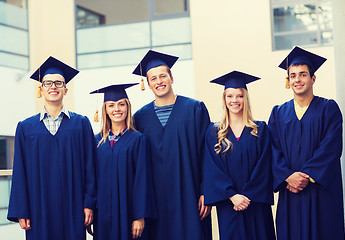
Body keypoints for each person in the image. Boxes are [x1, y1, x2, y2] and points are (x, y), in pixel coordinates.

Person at [7, 56, 96, 240]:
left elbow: (91, 167)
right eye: (48, 83)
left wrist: (89, 203)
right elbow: (20, 172)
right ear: (41, 89)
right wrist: (22, 209)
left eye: (58, 83)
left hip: (74, 206)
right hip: (39, 208)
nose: (53, 86)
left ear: (66, 89)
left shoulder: (81, 124)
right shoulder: (26, 127)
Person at [132, 50, 212, 240]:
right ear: (148, 84)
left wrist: (206, 192)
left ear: (172, 78)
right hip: (156, 201)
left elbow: (207, 154)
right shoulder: (140, 118)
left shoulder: (194, 109)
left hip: (190, 195)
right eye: (153, 78)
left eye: (162, 76)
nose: (159, 81)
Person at [268, 46, 345, 239]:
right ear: (288, 80)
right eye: (293, 76)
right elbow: (272, 151)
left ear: (313, 78)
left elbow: (331, 149)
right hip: (290, 193)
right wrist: (287, 176)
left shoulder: (329, 109)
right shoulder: (278, 113)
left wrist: (306, 176)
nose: (297, 80)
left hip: (321, 193)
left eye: (303, 74)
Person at [204, 71, 275, 240]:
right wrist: (233, 196)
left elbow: (264, 165)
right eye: (230, 96)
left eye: (239, 96)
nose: (234, 100)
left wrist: (248, 196)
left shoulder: (260, 129)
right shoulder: (214, 132)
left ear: (246, 98)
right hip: (229, 205)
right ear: (224, 99)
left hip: (256, 204)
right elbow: (212, 169)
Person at [88, 83, 156, 240]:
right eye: (111, 105)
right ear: (105, 110)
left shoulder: (138, 140)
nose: (116, 109)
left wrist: (139, 216)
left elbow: (143, 180)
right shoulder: (96, 142)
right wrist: (90, 209)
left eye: (121, 104)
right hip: (103, 214)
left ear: (127, 107)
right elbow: (91, 179)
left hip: (129, 213)